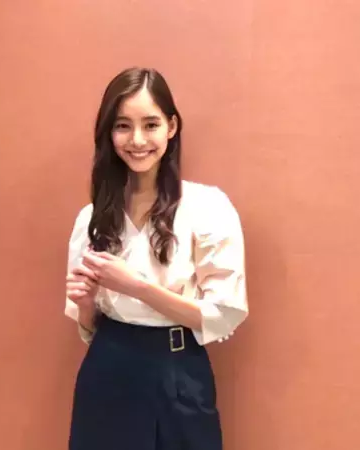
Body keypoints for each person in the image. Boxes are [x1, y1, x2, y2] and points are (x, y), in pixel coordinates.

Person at [64, 67, 249, 450]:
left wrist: (137, 287)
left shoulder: (206, 207)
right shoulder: (93, 217)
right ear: (108, 132)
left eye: (150, 124)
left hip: (178, 372)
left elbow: (223, 314)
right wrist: (85, 304)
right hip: (107, 370)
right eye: (123, 126)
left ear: (171, 127)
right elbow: (89, 328)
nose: (137, 140)